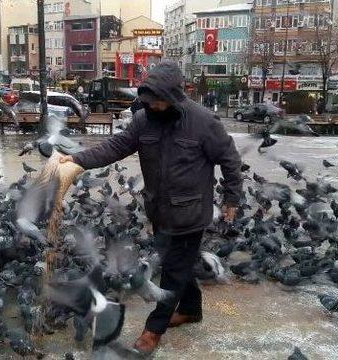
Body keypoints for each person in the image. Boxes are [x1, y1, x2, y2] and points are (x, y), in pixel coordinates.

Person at [59, 61, 243, 355]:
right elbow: (116, 146)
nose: (155, 105)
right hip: (159, 210)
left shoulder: (203, 121)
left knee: (172, 271)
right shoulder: (143, 120)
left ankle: (153, 329)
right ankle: (192, 309)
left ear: (174, 96)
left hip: (190, 213)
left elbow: (231, 159)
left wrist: (232, 199)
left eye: (160, 100)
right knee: (181, 265)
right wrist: (78, 160)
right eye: (150, 99)